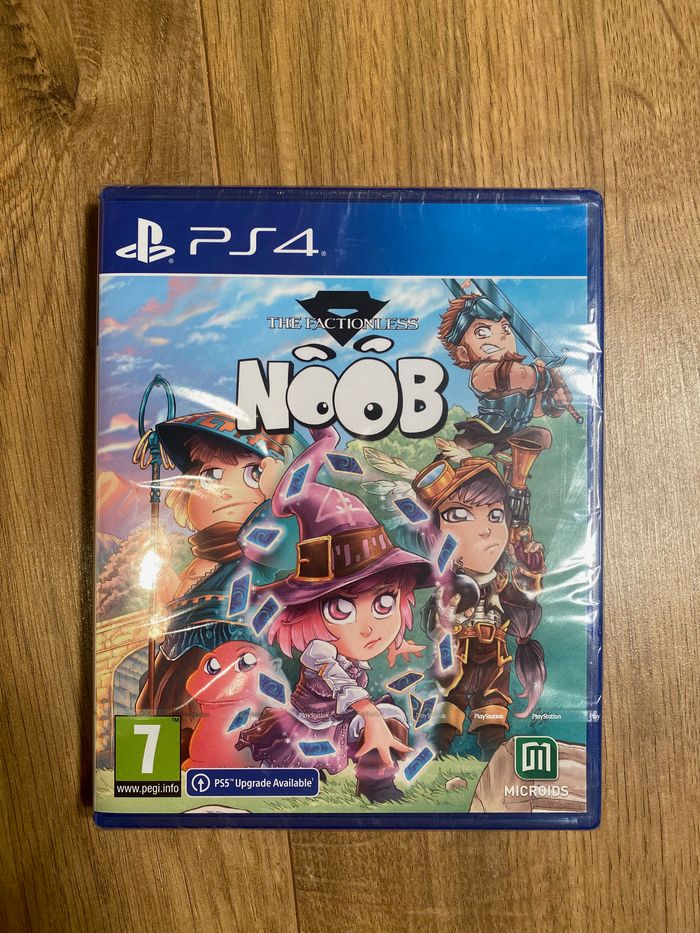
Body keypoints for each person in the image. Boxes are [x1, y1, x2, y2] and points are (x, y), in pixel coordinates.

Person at [237, 426, 433, 803]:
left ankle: (378, 786)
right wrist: (368, 713)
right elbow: (342, 683)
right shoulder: (319, 652)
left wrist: (397, 644)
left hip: (344, 725)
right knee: (287, 780)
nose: (369, 626)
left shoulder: (359, 648)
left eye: (384, 603)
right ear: (305, 611)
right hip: (306, 730)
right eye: (341, 608)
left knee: (391, 714)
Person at [134, 411, 300, 760]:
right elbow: (175, 604)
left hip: (233, 660)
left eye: (253, 473)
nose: (225, 490)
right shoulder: (200, 560)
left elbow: (285, 543)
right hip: (179, 661)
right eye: (211, 474)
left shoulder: (259, 550)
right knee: (167, 716)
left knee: (224, 731)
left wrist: (277, 495)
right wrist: (159, 569)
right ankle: (157, 767)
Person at [412, 456, 546, 759]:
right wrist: (448, 616)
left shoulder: (501, 581)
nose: (485, 529)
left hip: (494, 653)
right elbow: (432, 620)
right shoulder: (448, 584)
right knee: (449, 703)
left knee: (493, 708)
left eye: (496, 515)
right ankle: (435, 757)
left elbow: (526, 604)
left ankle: (493, 761)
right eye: (459, 514)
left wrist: (532, 571)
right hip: (457, 651)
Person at [437, 292, 571, 455]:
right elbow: (512, 375)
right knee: (455, 450)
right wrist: (544, 376)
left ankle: (513, 470)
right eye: (482, 333)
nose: (502, 335)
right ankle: (440, 464)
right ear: (463, 353)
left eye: (506, 328)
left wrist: (553, 401)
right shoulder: (482, 372)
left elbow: (535, 409)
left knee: (543, 436)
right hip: (486, 429)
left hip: (514, 431)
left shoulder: (528, 373)